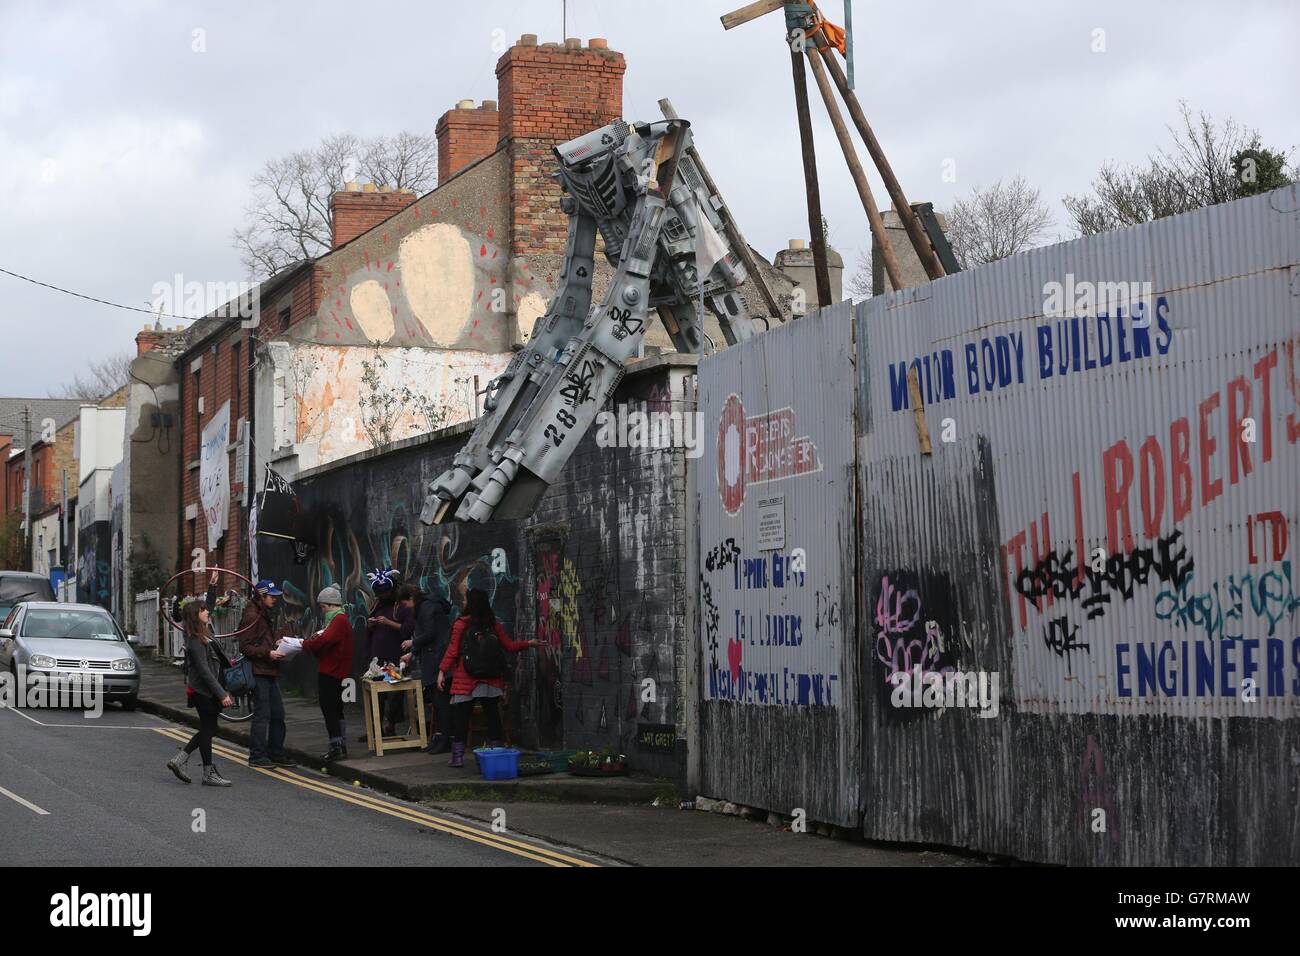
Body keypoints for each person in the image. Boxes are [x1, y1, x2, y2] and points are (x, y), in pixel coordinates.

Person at [437, 588, 541, 768]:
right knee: (492, 715)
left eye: (465, 600)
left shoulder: (461, 624)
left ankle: (458, 757)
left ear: (470, 603)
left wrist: (441, 671)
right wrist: (529, 643)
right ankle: (497, 752)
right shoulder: (493, 624)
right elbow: (509, 646)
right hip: (490, 677)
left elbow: (453, 651)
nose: (463, 602)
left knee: (462, 717)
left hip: (465, 678)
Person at [166, 596, 234, 787]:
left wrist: (212, 586)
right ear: (196, 616)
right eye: (203, 610)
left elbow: (209, 607)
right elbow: (204, 672)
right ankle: (200, 769)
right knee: (209, 729)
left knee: (208, 729)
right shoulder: (195, 640)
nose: (207, 612)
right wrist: (222, 694)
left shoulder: (204, 633)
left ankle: (191, 764)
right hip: (203, 692)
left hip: (206, 691)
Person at [238, 579, 293, 768]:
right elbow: (244, 646)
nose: (275, 600)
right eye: (272, 596)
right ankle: (257, 756)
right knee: (262, 715)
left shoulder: (262, 613)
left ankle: (275, 752)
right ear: (262, 595)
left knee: (278, 714)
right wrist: (268, 652)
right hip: (259, 671)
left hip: (269, 671)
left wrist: (276, 643)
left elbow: (259, 640)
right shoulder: (252, 615)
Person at [396, 584, 452, 754]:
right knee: (438, 702)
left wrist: (413, 644)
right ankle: (440, 738)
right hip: (435, 657)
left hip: (437, 660)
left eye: (405, 603)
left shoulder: (426, 607)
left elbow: (429, 633)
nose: (405, 607)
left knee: (441, 703)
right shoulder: (427, 605)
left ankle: (445, 740)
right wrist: (412, 654)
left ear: (411, 599)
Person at [303, 585, 354, 762]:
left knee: (330, 710)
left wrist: (305, 643)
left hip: (331, 672)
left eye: (323, 607)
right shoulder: (341, 620)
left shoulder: (338, 620)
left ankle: (337, 746)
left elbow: (324, 640)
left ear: (332, 605)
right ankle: (341, 745)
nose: (323, 611)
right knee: (336, 710)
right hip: (338, 671)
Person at [365, 567, 403, 737]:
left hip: (393, 656)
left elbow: (406, 629)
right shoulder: (377, 606)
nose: (382, 596)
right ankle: (376, 728)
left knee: (393, 692)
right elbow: (369, 630)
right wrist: (370, 625)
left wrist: (387, 622)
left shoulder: (400, 606)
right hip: (377, 658)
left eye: (385, 592)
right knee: (376, 693)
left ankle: (391, 725)